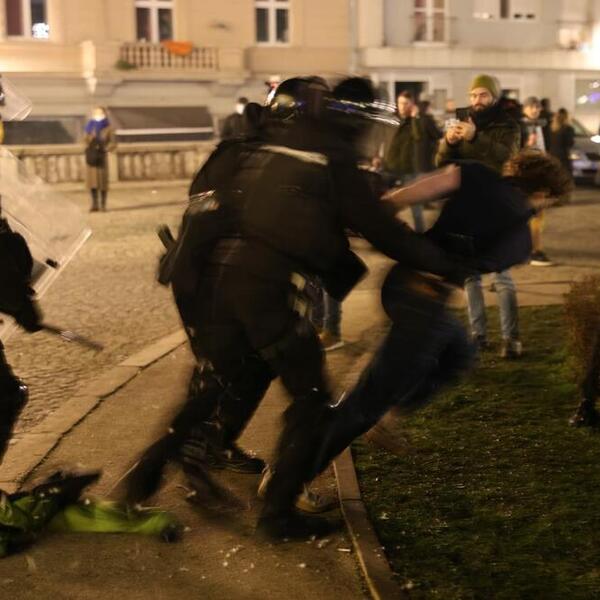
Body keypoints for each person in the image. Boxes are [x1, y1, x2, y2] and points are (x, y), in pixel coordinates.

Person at [125, 77, 470, 540]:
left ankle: (139, 482)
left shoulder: (262, 148)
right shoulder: (329, 158)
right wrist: (446, 263)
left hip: (215, 285)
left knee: (216, 384)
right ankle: (278, 514)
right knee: (311, 400)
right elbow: (383, 233)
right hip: (265, 289)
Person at [307, 148, 571, 480]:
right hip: (423, 297)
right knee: (366, 403)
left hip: (403, 282)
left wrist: (385, 220)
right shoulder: (520, 239)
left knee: (459, 353)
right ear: (544, 192)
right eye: (549, 201)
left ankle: (389, 409)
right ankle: (294, 474)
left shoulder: (476, 174)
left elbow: (411, 193)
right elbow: (474, 265)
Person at [436, 74, 523, 358]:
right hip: (467, 208)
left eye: (483, 95)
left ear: (494, 97)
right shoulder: (462, 121)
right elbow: (440, 162)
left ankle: (511, 339)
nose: (477, 100)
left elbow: (506, 157)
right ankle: (478, 335)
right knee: (471, 277)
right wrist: (448, 142)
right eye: (473, 95)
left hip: (498, 208)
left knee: (502, 276)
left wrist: (476, 137)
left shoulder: (508, 125)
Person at [383, 91, 426, 232]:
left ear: (412, 105)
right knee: (383, 201)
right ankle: (388, 231)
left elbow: (419, 137)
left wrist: (415, 118)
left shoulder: (417, 121)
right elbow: (386, 141)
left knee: (416, 206)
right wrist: (379, 157)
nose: (402, 106)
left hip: (409, 169)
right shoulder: (393, 121)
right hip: (390, 167)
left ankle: (421, 234)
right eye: (400, 103)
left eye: (406, 103)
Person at [521, 96, 552, 266]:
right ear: (524, 109)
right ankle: (535, 252)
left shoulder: (540, 126)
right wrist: (527, 144)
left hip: (540, 174)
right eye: (531, 107)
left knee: (537, 215)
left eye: (537, 107)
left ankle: (532, 250)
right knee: (535, 214)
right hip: (528, 177)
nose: (535, 110)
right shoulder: (520, 127)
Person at [83, 107, 116, 212]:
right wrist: (90, 138)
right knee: (92, 182)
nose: (98, 114)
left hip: (101, 157)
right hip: (91, 157)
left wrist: (106, 148)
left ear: (104, 114)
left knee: (102, 183)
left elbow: (113, 143)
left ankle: (103, 205)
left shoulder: (109, 128)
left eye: (100, 112)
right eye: (96, 112)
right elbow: (84, 141)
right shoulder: (89, 126)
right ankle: (94, 204)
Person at [548, 108, 575, 205]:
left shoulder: (551, 128)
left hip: (552, 155)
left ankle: (554, 198)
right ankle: (563, 198)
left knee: (554, 178)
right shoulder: (568, 129)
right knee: (565, 178)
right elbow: (570, 143)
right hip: (563, 156)